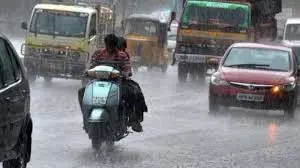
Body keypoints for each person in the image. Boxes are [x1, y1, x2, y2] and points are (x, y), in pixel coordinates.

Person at [78, 34, 147, 132]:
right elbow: (91, 67)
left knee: (132, 93)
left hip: (117, 83)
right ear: (105, 44)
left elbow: (127, 69)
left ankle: (133, 119)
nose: (109, 48)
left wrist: (123, 73)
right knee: (81, 92)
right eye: (108, 45)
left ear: (115, 45)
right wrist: (87, 73)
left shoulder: (122, 56)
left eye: (112, 45)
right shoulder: (98, 54)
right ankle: (86, 117)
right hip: (98, 82)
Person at [117, 36, 148, 126]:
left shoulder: (122, 55)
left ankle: (134, 118)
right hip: (114, 81)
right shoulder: (105, 53)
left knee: (135, 91)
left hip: (118, 81)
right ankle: (135, 119)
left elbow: (128, 71)